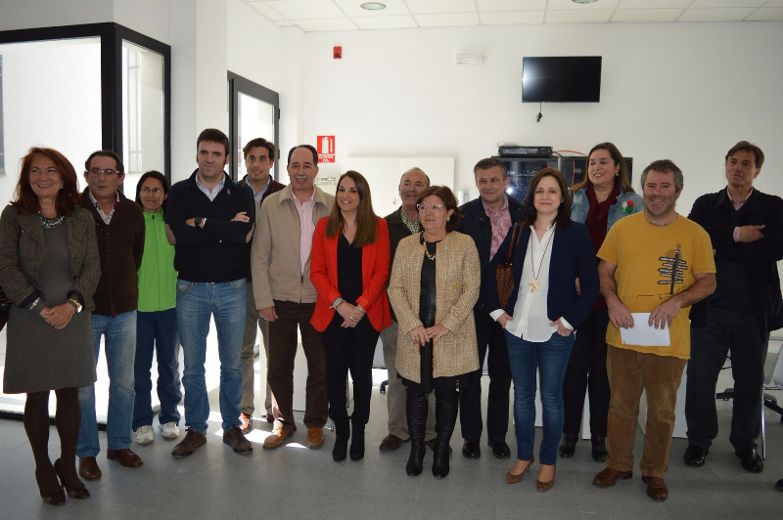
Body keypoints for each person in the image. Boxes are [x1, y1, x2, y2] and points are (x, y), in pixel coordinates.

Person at [592, 159, 716, 502]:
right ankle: (619, 464)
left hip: (669, 338)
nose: (657, 193)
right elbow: (605, 270)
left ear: (677, 190)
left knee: (662, 411)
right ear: (642, 187)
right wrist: (613, 301)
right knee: (620, 405)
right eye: (651, 185)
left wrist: (678, 301)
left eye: (664, 186)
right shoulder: (623, 228)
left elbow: (708, 281)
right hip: (624, 335)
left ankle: (654, 471)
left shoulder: (695, 234)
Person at [485, 168, 599, 492]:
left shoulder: (575, 234)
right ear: (532, 197)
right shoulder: (519, 231)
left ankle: (548, 460)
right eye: (540, 191)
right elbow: (491, 274)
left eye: (552, 191)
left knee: (551, 399)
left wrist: (569, 321)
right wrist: (498, 314)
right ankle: (524, 456)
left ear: (563, 197)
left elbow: (591, 285)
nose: (546, 196)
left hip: (555, 332)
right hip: (517, 330)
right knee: (522, 397)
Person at [0, 147, 100, 505]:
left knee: (70, 393)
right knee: (37, 394)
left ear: (64, 178)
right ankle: (43, 467)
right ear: (27, 178)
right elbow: (6, 268)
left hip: (73, 317)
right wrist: (41, 306)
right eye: (35, 171)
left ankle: (67, 466)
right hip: (31, 318)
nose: (43, 177)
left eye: (51, 171)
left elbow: (92, 269)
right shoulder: (14, 217)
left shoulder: (81, 217)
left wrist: (71, 305)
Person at [683, 141, 783, 473]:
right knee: (699, 379)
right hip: (709, 309)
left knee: (749, 382)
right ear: (725, 165)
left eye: (746, 163)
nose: (738, 168)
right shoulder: (705, 204)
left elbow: (775, 248)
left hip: (753, 312)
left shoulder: (772, 206)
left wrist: (721, 243)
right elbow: (696, 242)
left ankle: (745, 444)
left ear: (757, 170)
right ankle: (699, 440)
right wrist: (740, 235)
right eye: (733, 162)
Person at [166, 128, 255, 457]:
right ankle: (196, 429)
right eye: (204, 152)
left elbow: (242, 234)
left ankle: (232, 426)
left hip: (233, 287)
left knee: (232, 364)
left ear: (226, 158)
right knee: (192, 366)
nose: (209, 159)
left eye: (216, 154)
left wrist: (200, 222)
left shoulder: (241, 192)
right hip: (191, 287)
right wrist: (223, 228)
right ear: (197, 154)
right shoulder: (178, 192)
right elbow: (178, 235)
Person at [387, 185, 480, 478]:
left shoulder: (464, 244)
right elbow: (395, 288)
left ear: (449, 213)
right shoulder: (406, 246)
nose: (428, 212)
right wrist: (412, 324)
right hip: (415, 334)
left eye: (436, 207)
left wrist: (446, 325)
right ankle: (416, 449)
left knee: (445, 395)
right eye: (423, 207)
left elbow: (472, 289)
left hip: (451, 335)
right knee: (415, 394)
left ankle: (441, 450)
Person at [561, 143, 643, 461]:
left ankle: (598, 436)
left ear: (617, 167)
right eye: (592, 162)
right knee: (573, 370)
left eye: (603, 162)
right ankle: (570, 434)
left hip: (612, 298)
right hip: (576, 296)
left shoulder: (633, 203)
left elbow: (635, 252)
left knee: (602, 372)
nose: (596, 167)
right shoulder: (573, 197)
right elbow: (561, 243)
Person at [252, 144, 334, 449]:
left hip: (318, 299)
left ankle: (315, 423)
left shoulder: (331, 205)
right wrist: (263, 299)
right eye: (295, 165)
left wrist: (335, 298)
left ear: (315, 169)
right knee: (278, 366)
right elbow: (259, 256)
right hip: (280, 298)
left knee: (320, 364)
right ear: (287, 169)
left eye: (307, 165)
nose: (300, 171)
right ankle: (283, 421)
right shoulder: (272, 205)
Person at [310, 171, 392, 462]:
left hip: (365, 315)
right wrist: (339, 304)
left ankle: (359, 428)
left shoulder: (379, 227)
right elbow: (316, 272)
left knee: (361, 373)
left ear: (362, 195)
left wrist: (359, 307)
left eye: (353, 191)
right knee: (333, 372)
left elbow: (381, 272)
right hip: (332, 314)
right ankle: (341, 430)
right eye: (342, 189)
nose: (345, 195)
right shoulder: (324, 227)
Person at [77, 150, 145, 480]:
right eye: (95, 171)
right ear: (86, 175)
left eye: (109, 172)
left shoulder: (133, 212)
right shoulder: (72, 210)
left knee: (123, 384)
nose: (102, 177)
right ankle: (86, 453)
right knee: (82, 386)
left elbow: (136, 256)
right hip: (83, 312)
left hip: (125, 311)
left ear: (120, 177)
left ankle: (119, 444)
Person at [457, 158, 525, 460]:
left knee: (502, 376)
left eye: (494, 180)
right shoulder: (463, 215)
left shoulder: (524, 213)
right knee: (469, 376)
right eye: (482, 181)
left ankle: (497, 437)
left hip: (511, 310)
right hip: (473, 307)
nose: (488, 186)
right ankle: (471, 437)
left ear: (505, 180)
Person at [378, 167, 436, 452]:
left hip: (432, 315)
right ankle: (398, 430)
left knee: (432, 374)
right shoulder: (384, 226)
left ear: (428, 188)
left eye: (419, 184)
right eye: (407, 183)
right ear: (399, 187)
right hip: (395, 314)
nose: (412, 189)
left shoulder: (439, 224)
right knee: (398, 374)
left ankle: (430, 431)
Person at [132, 171, 182, 445]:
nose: (151, 195)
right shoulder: (131, 222)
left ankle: (170, 417)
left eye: (157, 190)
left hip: (171, 306)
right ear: (139, 192)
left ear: (165, 195)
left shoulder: (172, 223)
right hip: (138, 308)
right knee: (139, 370)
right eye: (146, 189)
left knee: (170, 366)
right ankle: (141, 422)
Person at [239, 138, 285, 433]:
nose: (256, 164)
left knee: (275, 350)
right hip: (239, 284)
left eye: (262, 158)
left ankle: (276, 411)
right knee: (242, 350)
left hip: (274, 284)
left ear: (270, 162)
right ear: (245, 161)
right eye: (251, 158)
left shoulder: (283, 193)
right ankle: (243, 410)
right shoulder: (232, 192)